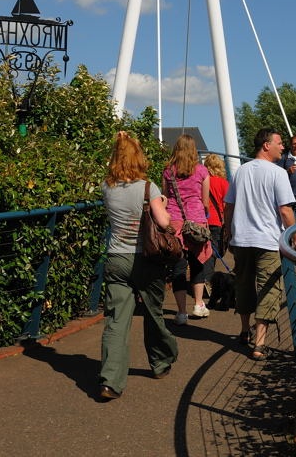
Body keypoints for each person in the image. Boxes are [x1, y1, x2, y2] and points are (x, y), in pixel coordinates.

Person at [99, 131, 178, 401]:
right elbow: (164, 222)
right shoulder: (148, 187)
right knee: (154, 314)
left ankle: (110, 380)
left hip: (116, 258)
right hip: (146, 258)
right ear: (139, 158)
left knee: (116, 320)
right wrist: (164, 205)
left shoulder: (106, 187)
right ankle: (160, 362)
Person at [223, 128, 296, 361]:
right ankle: (260, 342)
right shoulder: (277, 174)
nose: (283, 147)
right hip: (267, 241)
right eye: (279, 143)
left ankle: (245, 330)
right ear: (266, 145)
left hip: (242, 240)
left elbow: (229, 206)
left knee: (244, 284)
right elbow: (285, 210)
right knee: (269, 288)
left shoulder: (240, 172)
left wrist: (228, 232)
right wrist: (295, 237)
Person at [163, 134, 213, 324]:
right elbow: (206, 200)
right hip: (197, 222)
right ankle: (199, 304)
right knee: (198, 263)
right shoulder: (202, 171)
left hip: (175, 221)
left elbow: (166, 196)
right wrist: (203, 214)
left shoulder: (168, 171)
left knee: (178, 266)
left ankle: (181, 312)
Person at [203, 153, 230, 258]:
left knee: (203, 252)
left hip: (203, 221)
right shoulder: (224, 183)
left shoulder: (202, 182)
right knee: (214, 253)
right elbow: (227, 206)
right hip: (217, 222)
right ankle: (209, 273)